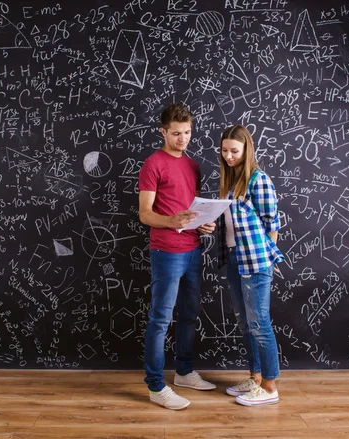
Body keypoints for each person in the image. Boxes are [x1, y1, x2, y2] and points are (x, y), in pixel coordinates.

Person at [138, 103, 216, 410]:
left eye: (187, 133)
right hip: (166, 252)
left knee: (189, 315)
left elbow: (190, 208)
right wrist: (172, 221)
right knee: (160, 320)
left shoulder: (193, 165)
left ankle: (183, 372)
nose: (182, 139)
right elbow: (145, 214)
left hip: (193, 249)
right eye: (176, 133)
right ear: (163, 131)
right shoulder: (152, 164)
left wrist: (203, 224)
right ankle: (156, 386)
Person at [217, 124, 284, 406]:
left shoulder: (258, 180)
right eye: (224, 151)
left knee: (259, 323)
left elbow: (272, 224)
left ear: (246, 150)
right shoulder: (230, 182)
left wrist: (269, 257)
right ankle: (255, 377)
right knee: (245, 323)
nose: (229, 156)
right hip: (234, 258)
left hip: (255, 260)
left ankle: (270, 387)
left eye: (234, 151)